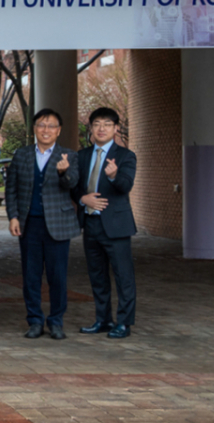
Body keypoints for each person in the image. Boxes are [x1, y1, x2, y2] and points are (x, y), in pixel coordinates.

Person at [5, 108, 80, 341]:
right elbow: (12, 189)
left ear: (58, 131)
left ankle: (56, 321)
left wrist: (64, 172)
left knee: (57, 276)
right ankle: (35, 321)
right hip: (30, 224)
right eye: (41, 125)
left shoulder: (68, 156)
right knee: (31, 276)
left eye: (51, 126)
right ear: (34, 129)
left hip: (58, 224)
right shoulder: (22, 155)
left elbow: (73, 185)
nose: (45, 130)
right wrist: (13, 216)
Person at [73, 107, 138, 339]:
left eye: (107, 124)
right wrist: (82, 198)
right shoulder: (82, 156)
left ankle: (124, 323)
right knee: (97, 275)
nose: (101, 128)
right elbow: (73, 187)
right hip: (91, 223)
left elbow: (125, 186)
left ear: (115, 128)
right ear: (91, 128)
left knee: (123, 276)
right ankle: (102, 320)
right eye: (97, 124)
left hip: (116, 226)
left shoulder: (126, 156)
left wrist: (113, 176)